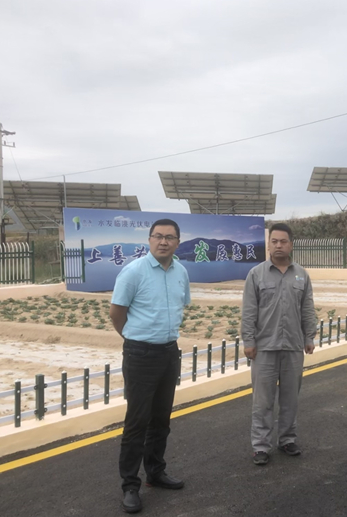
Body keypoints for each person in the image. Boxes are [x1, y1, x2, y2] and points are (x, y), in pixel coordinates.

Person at [110, 219, 191, 514]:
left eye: (169, 237)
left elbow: (182, 306)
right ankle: (130, 486)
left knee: (161, 420)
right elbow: (117, 313)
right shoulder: (133, 271)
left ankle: (155, 472)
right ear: (149, 239)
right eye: (158, 236)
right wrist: (134, 339)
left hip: (169, 352)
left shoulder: (181, 272)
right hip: (140, 354)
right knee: (137, 422)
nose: (163, 242)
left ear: (178, 242)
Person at [241, 223, 316, 466]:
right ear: (269, 244)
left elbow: (307, 307)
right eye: (274, 241)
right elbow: (249, 310)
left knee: (290, 399)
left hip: (293, 346)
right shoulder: (256, 274)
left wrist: (309, 336)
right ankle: (260, 446)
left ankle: (287, 440)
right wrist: (249, 340)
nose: (278, 245)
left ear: (291, 244)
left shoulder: (301, 275)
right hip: (264, 347)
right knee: (262, 401)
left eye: (283, 241)